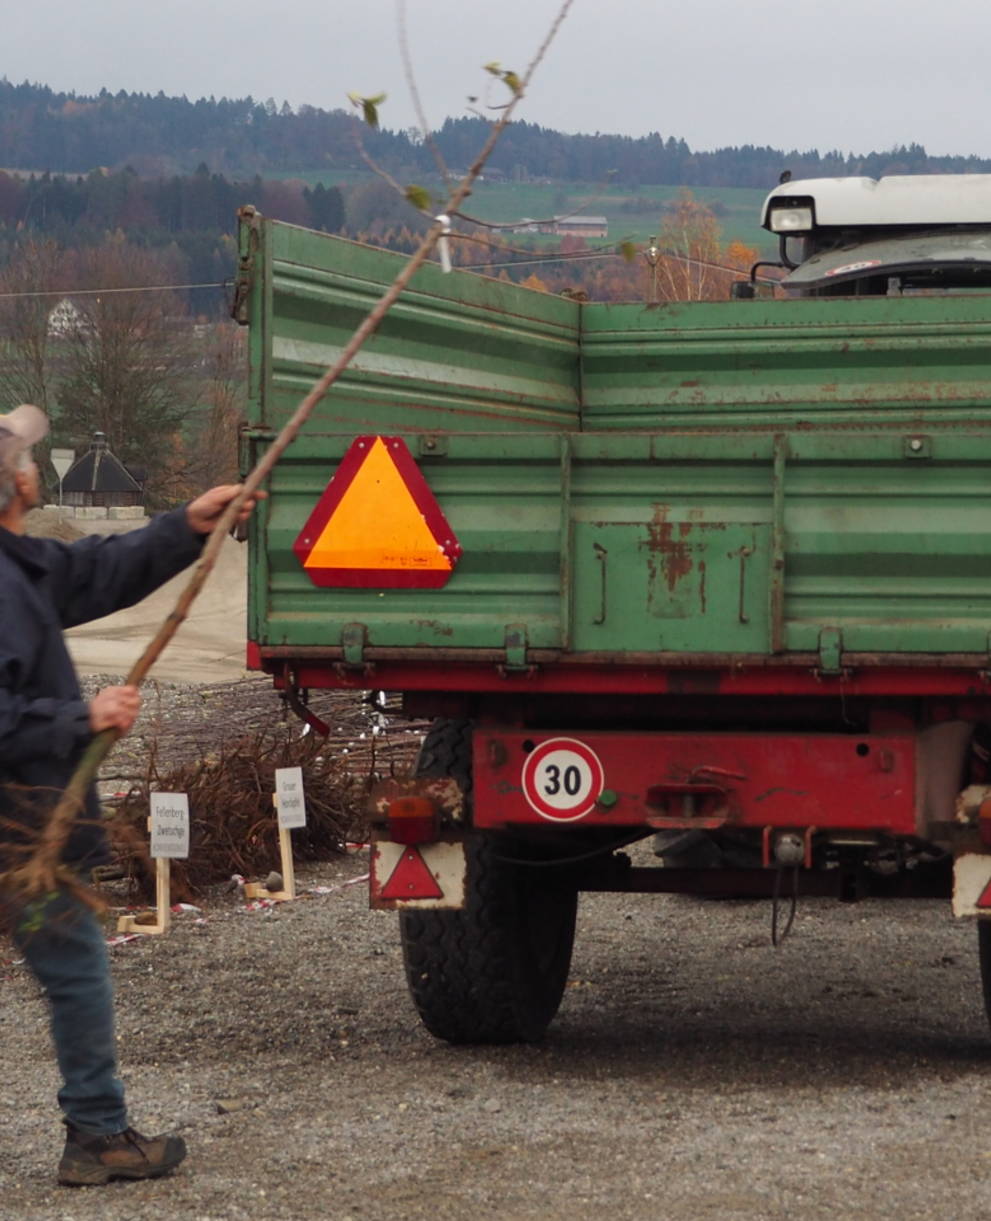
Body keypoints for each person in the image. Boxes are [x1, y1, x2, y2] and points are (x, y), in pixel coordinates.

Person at [0, 404, 262, 1186]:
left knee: (73, 962)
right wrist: (79, 714)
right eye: (29, 457)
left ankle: (99, 1127)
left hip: (27, 823)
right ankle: (99, 1134)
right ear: (15, 480)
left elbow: (93, 571)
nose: (37, 465)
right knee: (76, 968)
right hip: (20, 831)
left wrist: (184, 525)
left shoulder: (21, 567)